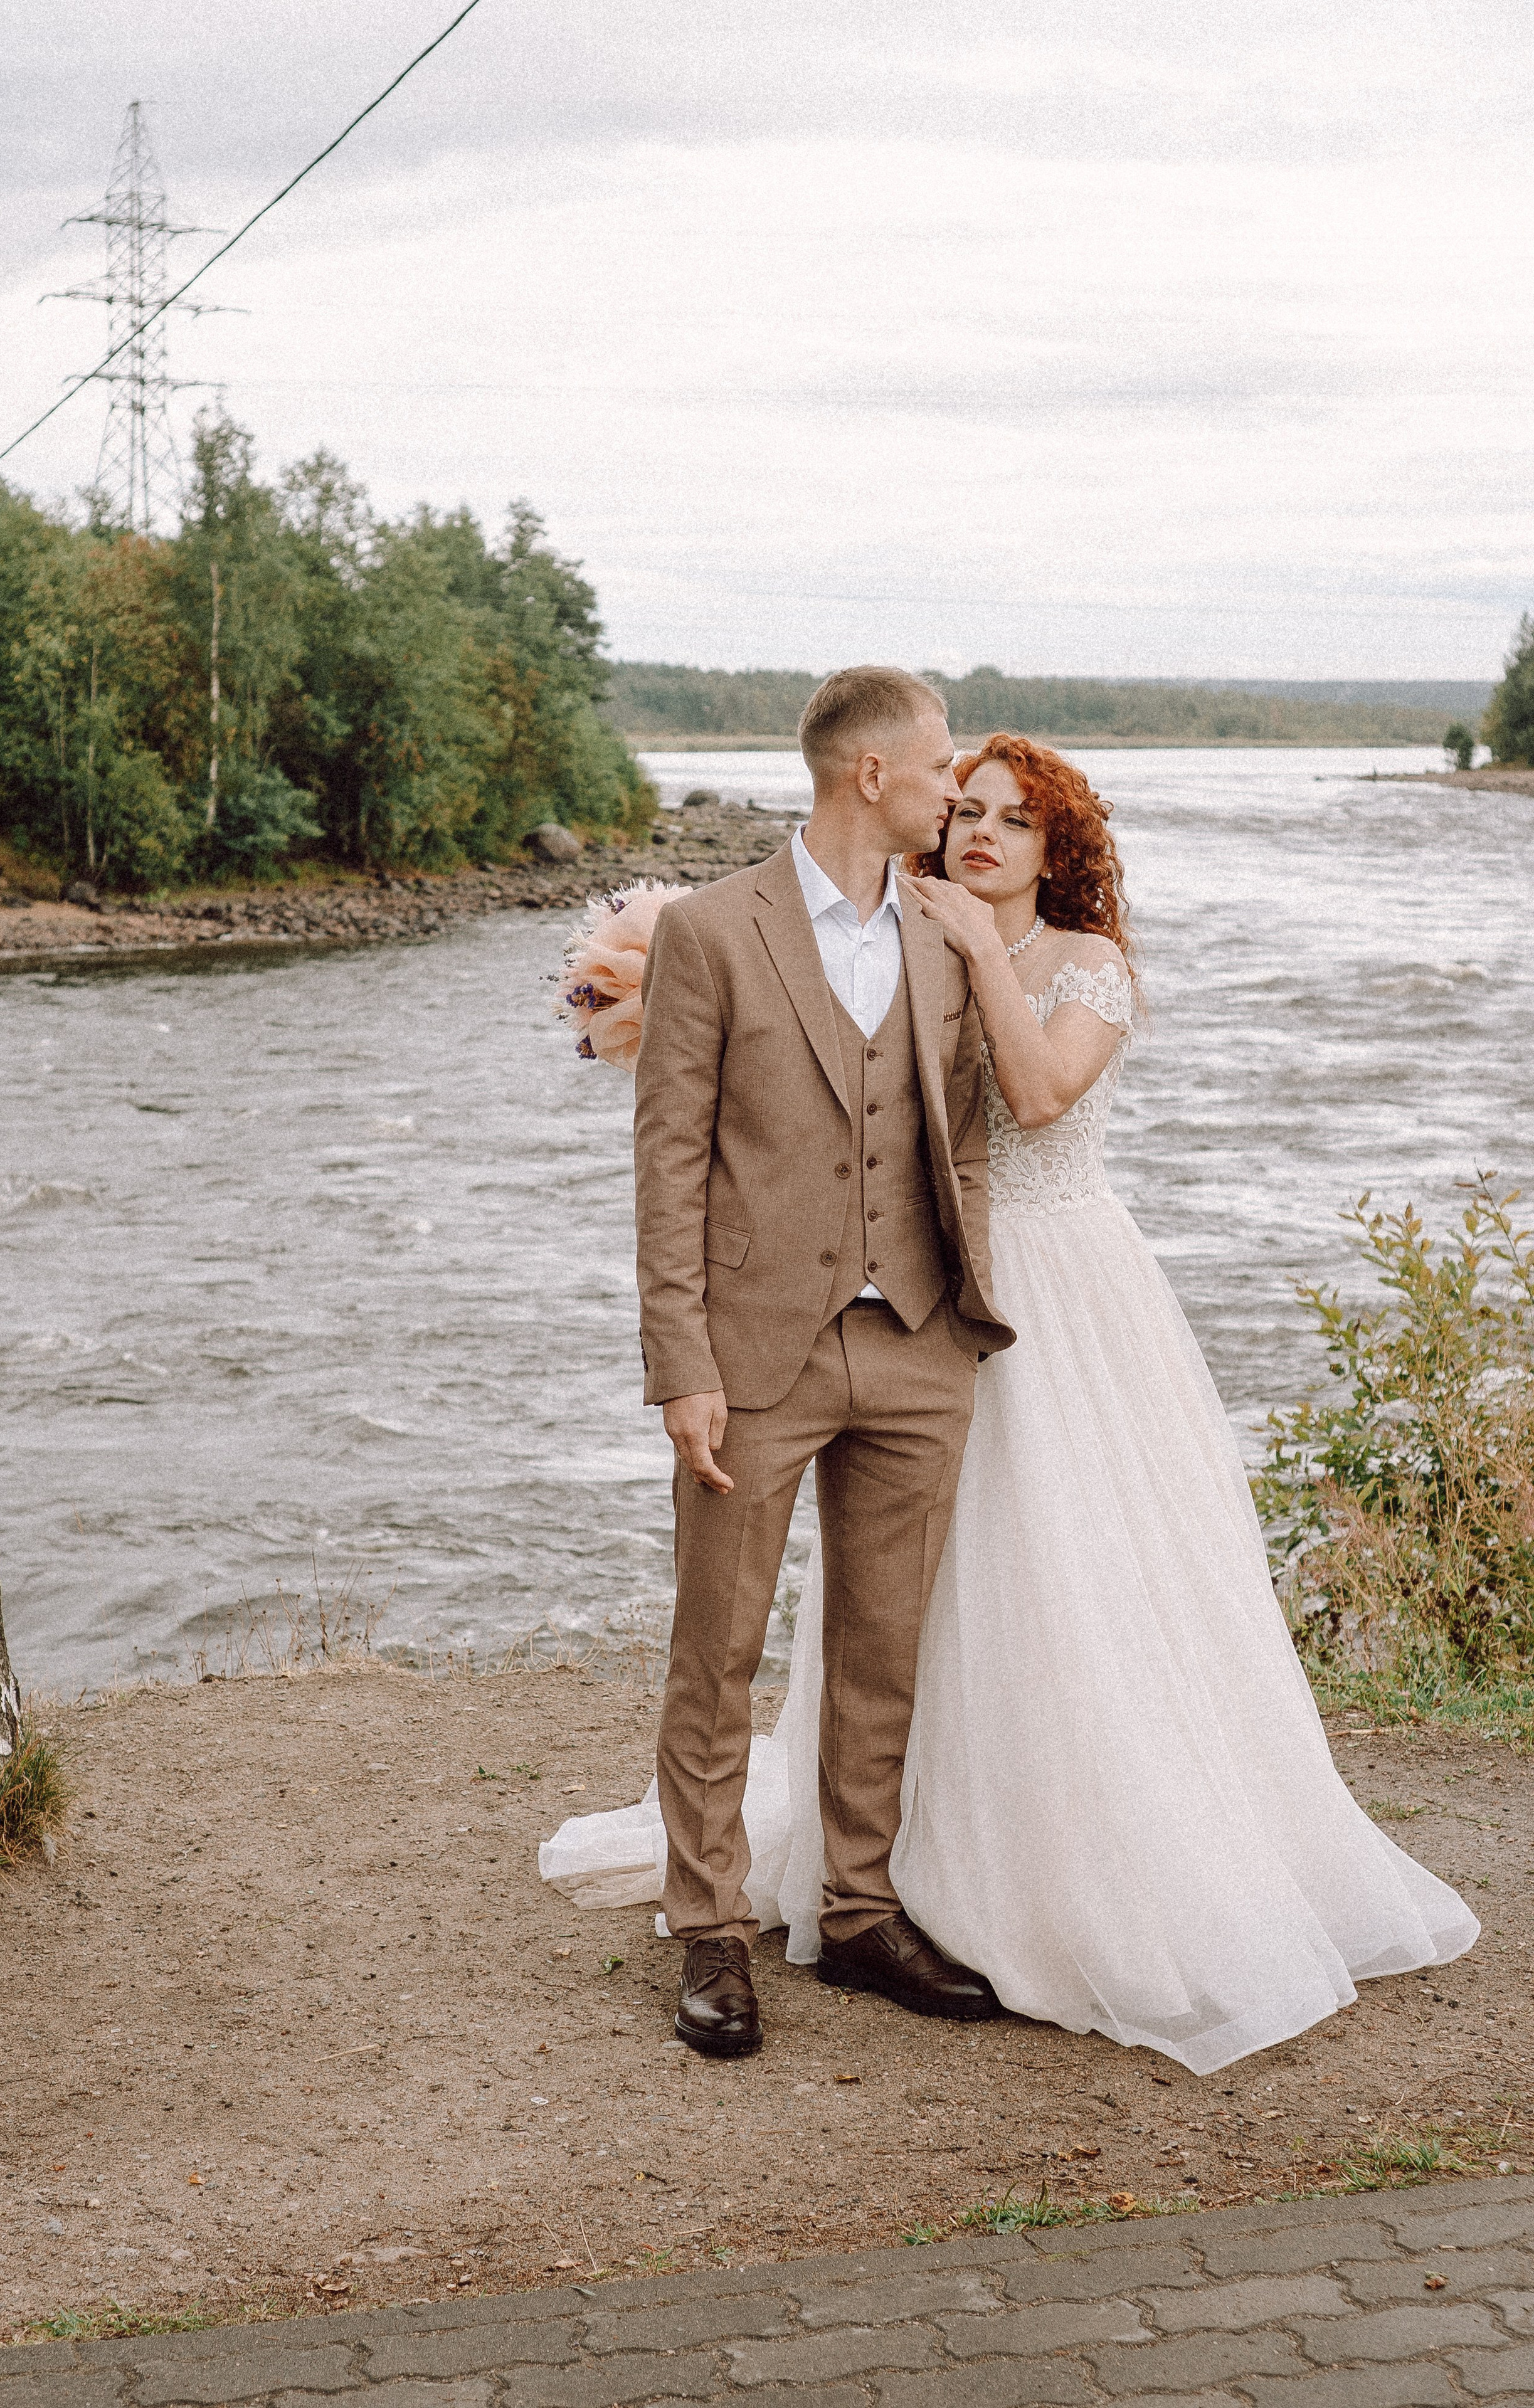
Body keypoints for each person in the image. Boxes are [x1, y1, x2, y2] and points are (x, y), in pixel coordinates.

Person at [542, 722, 1478, 2078]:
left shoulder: (1064, 961)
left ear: (1060, 848)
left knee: (1034, 1592)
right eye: (963, 808)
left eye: (1012, 820)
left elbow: (1034, 1100)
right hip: (859, 1309)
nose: (978, 832)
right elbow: (774, 1082)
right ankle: (745, 1921)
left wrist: (979, 947)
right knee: (793, 1627)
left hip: (1044, 1304)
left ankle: (975, 1881)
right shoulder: (879, 927)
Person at [623, 665, 1015, 2058]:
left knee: (882, 1649)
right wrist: (681, 1361)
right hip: (752, 1352)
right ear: (868, 775)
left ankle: (857, 1911)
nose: (952, 788)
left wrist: (962, 1300)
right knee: (715, 1650)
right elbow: (666, 1161)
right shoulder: (714, 931)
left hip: (914, 1343)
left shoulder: (937, 930)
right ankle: (710, 1930)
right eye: (936, 767)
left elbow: (960, 1130)